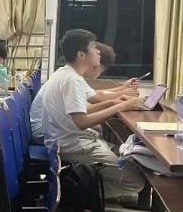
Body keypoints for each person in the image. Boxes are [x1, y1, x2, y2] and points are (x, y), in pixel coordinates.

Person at [40, 29, 145, 199]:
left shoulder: (67, 74)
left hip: (71, 141)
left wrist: (114, 102)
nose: (98, 52)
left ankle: (82, 188)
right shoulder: (71, 80)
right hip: (74, 145)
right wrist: (120, 106)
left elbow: (85, 108)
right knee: (135, 182)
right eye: (94, 48)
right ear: (81, 55)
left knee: (127, 155)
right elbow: (82, 122)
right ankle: (71, 195)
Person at [30, 42, 139, 143]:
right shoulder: (72, 79)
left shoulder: (71, 73)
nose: (100, 73)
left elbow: (94, 95)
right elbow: (97, 98)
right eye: (101, 69)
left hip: (49, 127)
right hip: (44, 131)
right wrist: (121, 99)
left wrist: (121, 91)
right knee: (99, 130)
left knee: (98, 129)